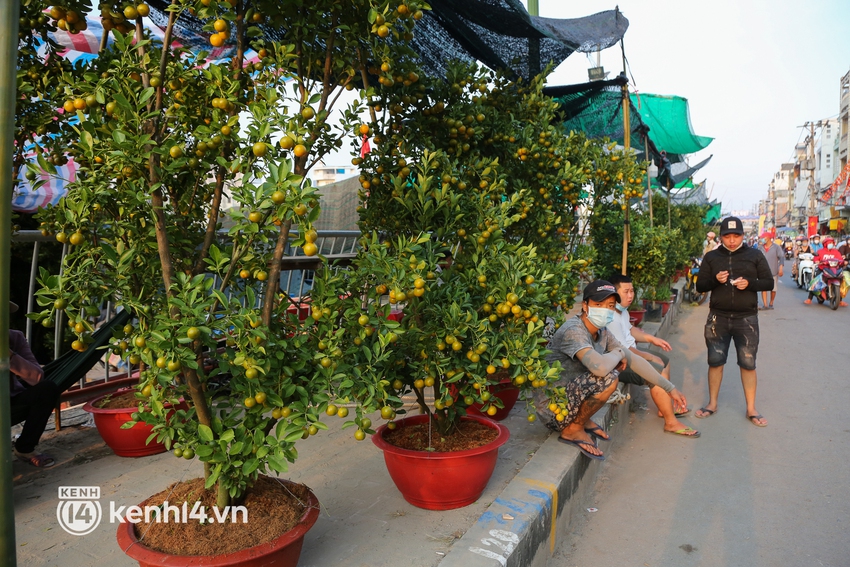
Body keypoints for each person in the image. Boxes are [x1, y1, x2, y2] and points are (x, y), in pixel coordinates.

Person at [535, 280, 688, 460]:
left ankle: (580, 420)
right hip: (553, 408)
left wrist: (670, 388)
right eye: (598, 304)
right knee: (609, 378)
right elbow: (599, 368)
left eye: (609, 305)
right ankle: (572, 430)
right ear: (585, 305)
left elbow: (635, 361)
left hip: (569, 398)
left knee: (611, 371)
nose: (604, 310)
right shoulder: (574, 331)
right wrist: (618, 353)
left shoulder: (602, 331)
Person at [694, 217, 773, 427]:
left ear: (742, 235)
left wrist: (749, 284)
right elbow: (700, 286)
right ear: (720, 237)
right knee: (715, 361)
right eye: (727, 236)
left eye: (736, 236)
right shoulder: (711, 257)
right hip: (717, 318)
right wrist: (714, 280)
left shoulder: (754, 255)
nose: (731, 240)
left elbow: (769, 281)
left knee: (748, 363)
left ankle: (751, 408)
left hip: (746, 319)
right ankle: (712, 403)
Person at [606, 274, 699, 438]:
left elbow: (630, 330)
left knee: (664, 361)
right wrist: (647, 357)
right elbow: (622, 350)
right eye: (626, 291)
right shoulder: (610, 316)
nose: (630, 295)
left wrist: (651, 339)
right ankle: (670, 422)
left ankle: (665, 409)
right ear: (614, 293)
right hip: (618, 363)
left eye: (632, 291)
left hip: (631, 356)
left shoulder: (622, 311)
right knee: (655, 371)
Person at [8, 301, 60, 467]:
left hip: (10, 399)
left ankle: (25, 448)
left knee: (47, 389)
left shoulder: (15, 338)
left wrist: (8, 355)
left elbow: (36, 376)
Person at [804, 236, 847, 306]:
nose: (831, 244)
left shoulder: (836, 252)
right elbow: (816, 258)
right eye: (829, 243)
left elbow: (840, 259)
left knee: (842, 280)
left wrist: (844, 262)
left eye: (832, 243)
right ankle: (809, 298)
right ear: (825, 244)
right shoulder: (820, 251)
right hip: (822, 269)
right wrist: (817, 261)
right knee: (816, 281)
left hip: (834, 269)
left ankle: (840, 300)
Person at [758, 235, 785, 310]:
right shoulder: (760, 248)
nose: (763, 239)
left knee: (773, 289)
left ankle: (771, 302)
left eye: (764, 238)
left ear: (769, 238)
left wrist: (781, 268)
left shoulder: (776, 247)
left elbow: (781, 257)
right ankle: (765, 304)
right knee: (764, 288)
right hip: (762, 271)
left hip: (773, 271)